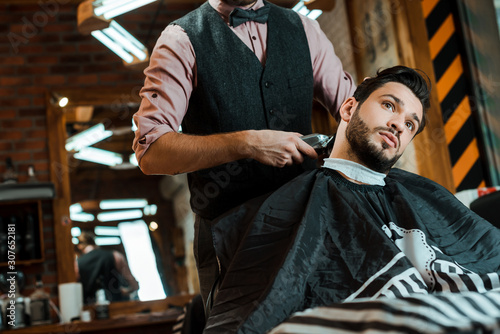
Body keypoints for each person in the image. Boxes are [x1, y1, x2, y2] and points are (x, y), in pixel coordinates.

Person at [201, 66, 500, 333]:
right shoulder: (297, 203)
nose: (398, 124)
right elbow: (258, 309)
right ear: (347, 109)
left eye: (410, 124)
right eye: (388, 105)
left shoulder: (424, 195)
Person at [132, 0, 355, 306]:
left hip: (307, 226)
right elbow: (152, 151)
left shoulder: (304, 29)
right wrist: (246, 143)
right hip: (230, 238)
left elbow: (352, 117)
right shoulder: (181, 40)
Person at [74, 231, 139, 304]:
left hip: (92, 310)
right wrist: (126, 291)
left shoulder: (77, 264)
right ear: (94, 242)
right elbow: (134, 284)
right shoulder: (116, 256)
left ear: (80, 246)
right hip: (117, 306)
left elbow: (75, 290)